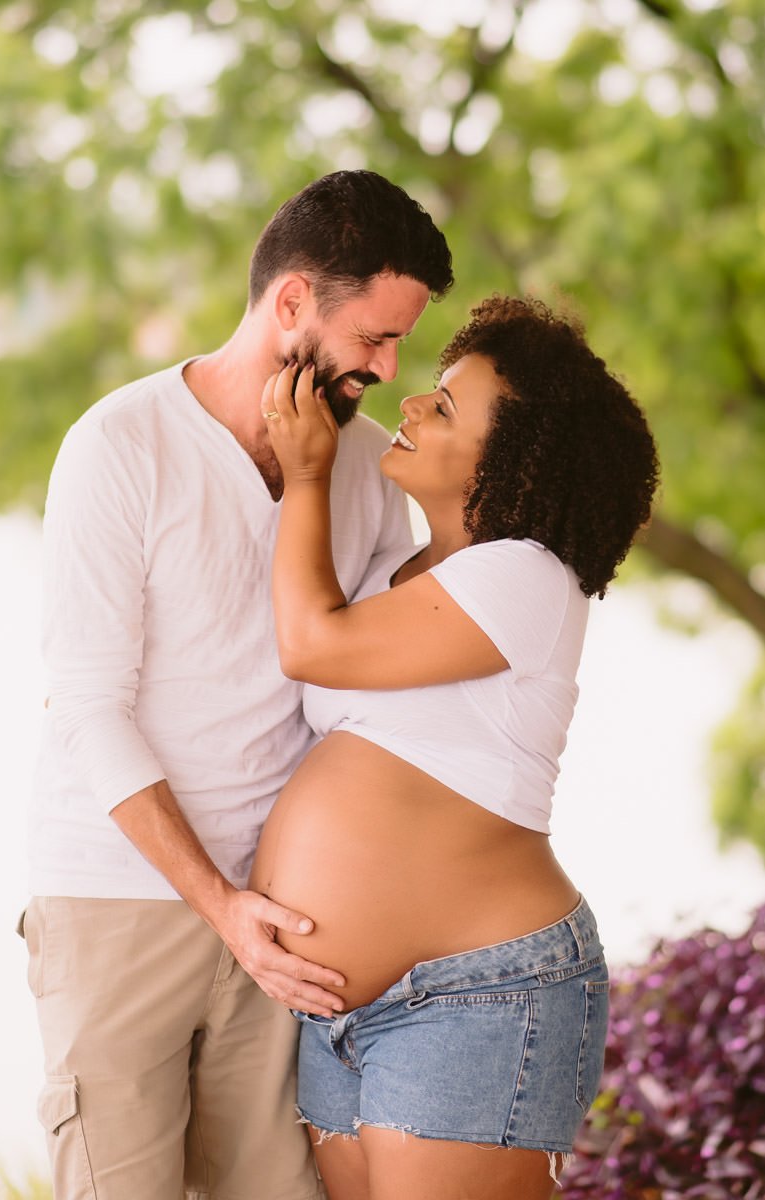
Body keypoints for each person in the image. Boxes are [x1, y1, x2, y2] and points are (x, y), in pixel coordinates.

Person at [21, 170, 453, 1200]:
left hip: (289, 920)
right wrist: (220, 907)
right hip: (119, 901)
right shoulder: (119, 446)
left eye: (401, 345)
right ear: (294, 301)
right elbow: (88, 705)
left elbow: (370, 691)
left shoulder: (360, 469)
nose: (389, 372)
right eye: (376, 339)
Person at [250, 294, 660, 1200]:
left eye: (442, 406)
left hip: (479, 995)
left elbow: (309, 644)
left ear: (508, 457)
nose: (410, 406)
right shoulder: (394, 574)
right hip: (342, 1013)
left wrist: (306, 475)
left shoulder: (524, 575)